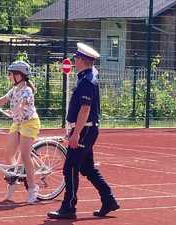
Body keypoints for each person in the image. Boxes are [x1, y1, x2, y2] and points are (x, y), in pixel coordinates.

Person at [47, 43, 120, 219]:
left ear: (82, 60)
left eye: (76, 58)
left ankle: (69, 207)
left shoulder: (87, 80)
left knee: (70, 167)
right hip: (86, 129)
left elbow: (85, 109)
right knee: (87, 168)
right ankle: (109, 200)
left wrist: (76, 132)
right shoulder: (87, 76)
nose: (74, 60)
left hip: (85, 130)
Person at [0, 60, 40, 204]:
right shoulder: (14, 90)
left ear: (20, 75)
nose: (9, 76)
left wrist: (21, 106)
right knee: (9, 153)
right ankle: (15, 176)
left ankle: (33, 188)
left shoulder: (27, 90)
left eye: (11, 74)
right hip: (17, 123)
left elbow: (25, 101)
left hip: (29, 123)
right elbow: (2, 100)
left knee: (24, 155)